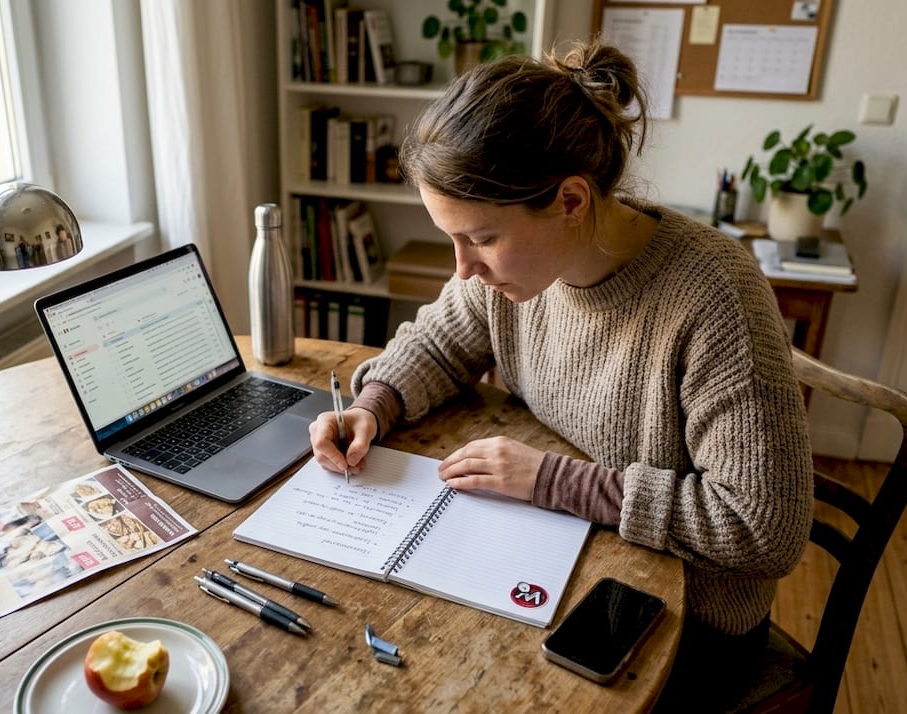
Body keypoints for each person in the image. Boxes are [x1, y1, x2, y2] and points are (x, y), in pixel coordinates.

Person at [308, 38, 813, 711]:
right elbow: (435, 341)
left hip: (685, 624)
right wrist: (373, 405)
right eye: (453, 238)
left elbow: (765, 526)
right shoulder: (516, 272)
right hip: (559, 553)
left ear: (571, 201)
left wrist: (554, 481)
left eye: (481, 239)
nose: (463, 267)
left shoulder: (714, 294)